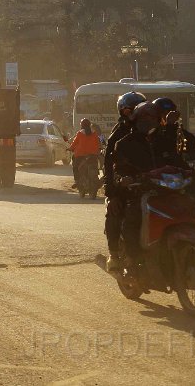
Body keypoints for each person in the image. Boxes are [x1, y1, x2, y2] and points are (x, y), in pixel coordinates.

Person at [111, 101, 167, 263]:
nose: (149, 123)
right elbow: (117, 169)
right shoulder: (123, 144)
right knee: (132, 219)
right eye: (144, 119)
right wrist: (124, 180)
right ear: (135, 121)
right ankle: (133, 261)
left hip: (164, 190)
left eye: (152, 119)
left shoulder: (163, 140)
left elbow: (176, 161)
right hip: (138, 192)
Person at [103, 91, 146, 271]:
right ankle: (115, 255)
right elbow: (109, 163)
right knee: (116, 211)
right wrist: (112, 191)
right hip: (126, 185)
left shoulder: (154, 130)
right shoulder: (119, 134)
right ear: (123, 112)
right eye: (131, 110)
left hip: (153, 182)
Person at [68, 118, 101, 189]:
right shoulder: (94, 133)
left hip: (80, 155)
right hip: (93, 154)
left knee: (75, 167)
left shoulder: (80, 133)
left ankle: (77, 181)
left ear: (82, 125)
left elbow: (74, 143)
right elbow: (98, 143)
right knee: (95, 166)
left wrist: (70, 148)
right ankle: (96, 179)